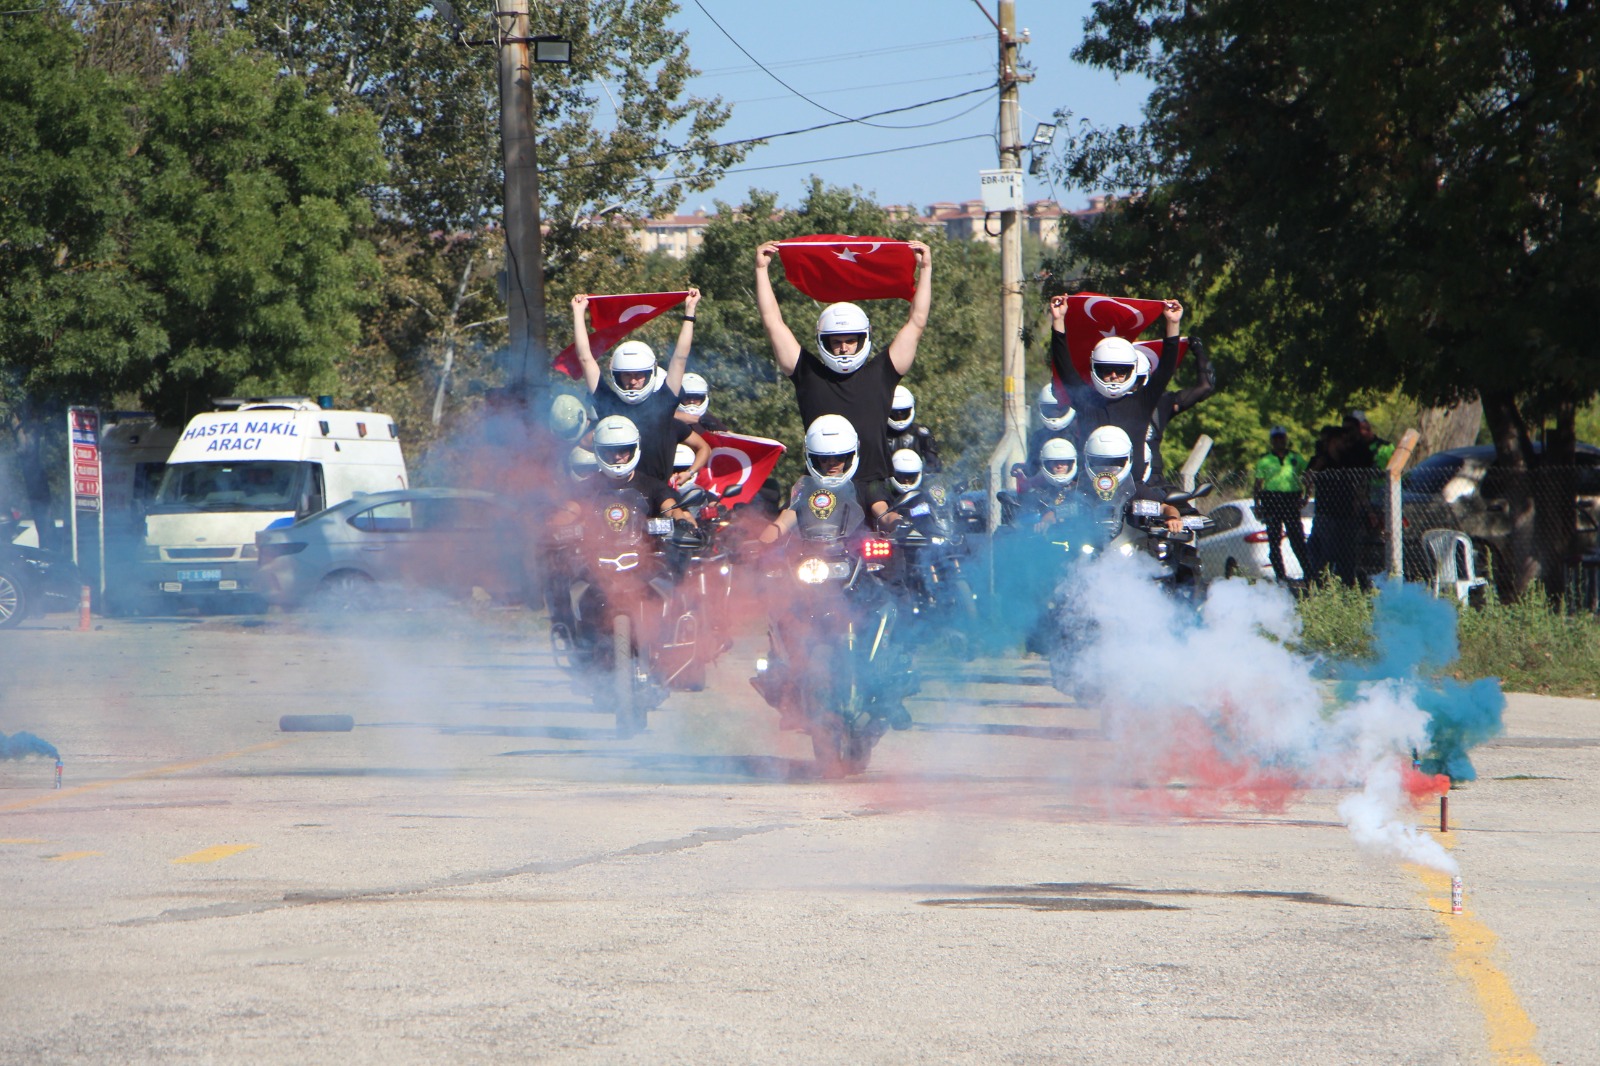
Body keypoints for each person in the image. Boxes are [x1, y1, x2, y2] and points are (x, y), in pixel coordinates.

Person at [754, 238, 933, 522]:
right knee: (779, 533)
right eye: (836, 342)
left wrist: (925, 269)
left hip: (874, 489)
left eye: (851, 341)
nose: (844, 348)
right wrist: (761, 270)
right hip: (819, 488)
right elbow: (773, 322)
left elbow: (917, 321)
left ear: (863, 339)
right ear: (823, 342)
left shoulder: (883, 372)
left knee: (894, 529)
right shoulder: (808, 373)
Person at [1048, 295, 1183, 483]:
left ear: (1132, 370)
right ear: (1095, 369)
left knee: (1166, 503)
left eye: (1121, 371)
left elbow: (1166, 368)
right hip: (1089, 490)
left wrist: (1173, 323)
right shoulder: (1086, 401)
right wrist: (1058, 320)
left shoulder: (1142, 402)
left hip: (1134, 489)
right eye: (1106, 370)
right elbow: (1064, 367)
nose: (1113, 376)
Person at [571, 288, 702, 482]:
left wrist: (690, 311)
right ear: (616, 375)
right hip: (617, 492)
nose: (633, 381)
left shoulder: (664, 401)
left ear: (651, 373)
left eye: (639, 375)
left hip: (658, 494)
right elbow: (585, 359)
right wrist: (578, 312)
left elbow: (680, 358)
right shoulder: (608, 403)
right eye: (626, 375)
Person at [1143, 336, 1216, 483]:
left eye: (1122, 371)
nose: (1115, 376)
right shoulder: (1103, 403)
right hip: (1113, 476)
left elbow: (1205, 387)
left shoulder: (1161, 401)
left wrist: (1198, 350)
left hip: (1152, 477)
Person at [1252, 426, 1310, 583]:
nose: (1279, 442)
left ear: (1286, 439)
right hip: (1272, 501)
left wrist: (1307, 496)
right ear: (1272, 441)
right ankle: (1281, 576)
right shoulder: (1265, 460)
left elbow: (1307, 476)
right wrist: (1257, 504)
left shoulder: (1296, 458)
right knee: (1274, 540)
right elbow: (1258, 484)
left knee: (1297, 539)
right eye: (1276, 439)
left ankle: (1309, 574)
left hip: (1291, 500)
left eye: (1281, 438)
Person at [1015, 437, 1083, 533]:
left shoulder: (1079, 488)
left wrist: (1055, 513)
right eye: (1054, 462)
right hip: (1049, 540)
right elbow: (1024, 516)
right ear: (1046, 464)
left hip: (1078, 536)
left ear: (1070, 463)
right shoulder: (1040, 492)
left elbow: (1086, 507)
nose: (1059, 466)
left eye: (1063, 461)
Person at [885, 385, 941, 472]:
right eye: (894, 413)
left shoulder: (922, 434)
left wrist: (925, 476)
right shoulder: (876, 435)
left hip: (915, 479)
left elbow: (934, 466)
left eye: (903, 412)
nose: (899, 417)